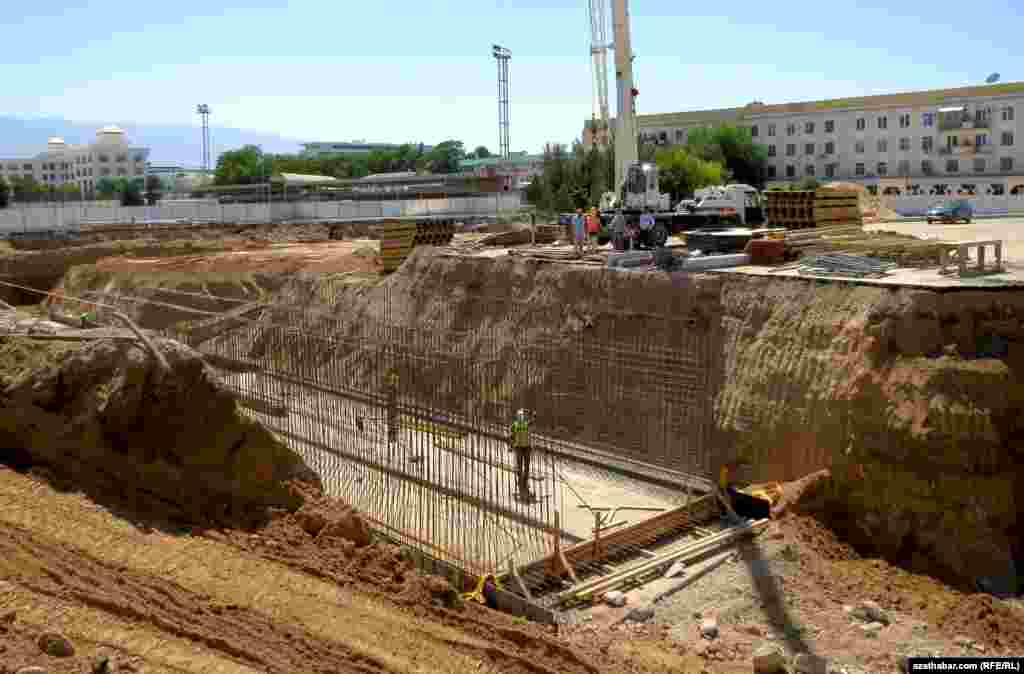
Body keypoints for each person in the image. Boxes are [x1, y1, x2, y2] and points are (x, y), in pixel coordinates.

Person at [510, 409, 532, 501]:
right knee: (520, 466)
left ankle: (524, 481)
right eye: (521, 415)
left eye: (523, 415)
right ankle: (521, 482)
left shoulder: (526, 424)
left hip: (526, 447)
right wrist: (511, 445)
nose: (522, 417)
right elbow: (511, 436)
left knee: (526, 466)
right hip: (519, 447)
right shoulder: (516, 425)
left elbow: (531, 422)